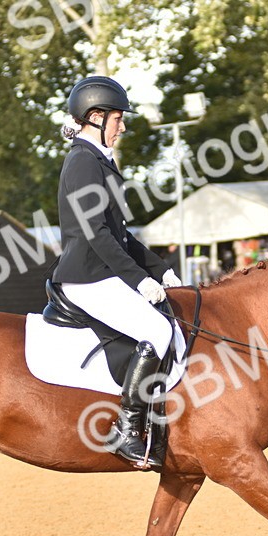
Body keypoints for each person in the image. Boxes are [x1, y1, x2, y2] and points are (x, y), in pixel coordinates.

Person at [53, 76, 182, 469]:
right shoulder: (82, 162)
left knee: (170, 322)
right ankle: (127, 429)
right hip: (86, 278)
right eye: (117, 119)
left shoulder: (99, 161)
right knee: (158, 331)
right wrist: (138, 280)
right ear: (95, 117)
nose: (122, 126)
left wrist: (162, 271)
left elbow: (121, 236)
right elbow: (96, 234)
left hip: (102, 272)